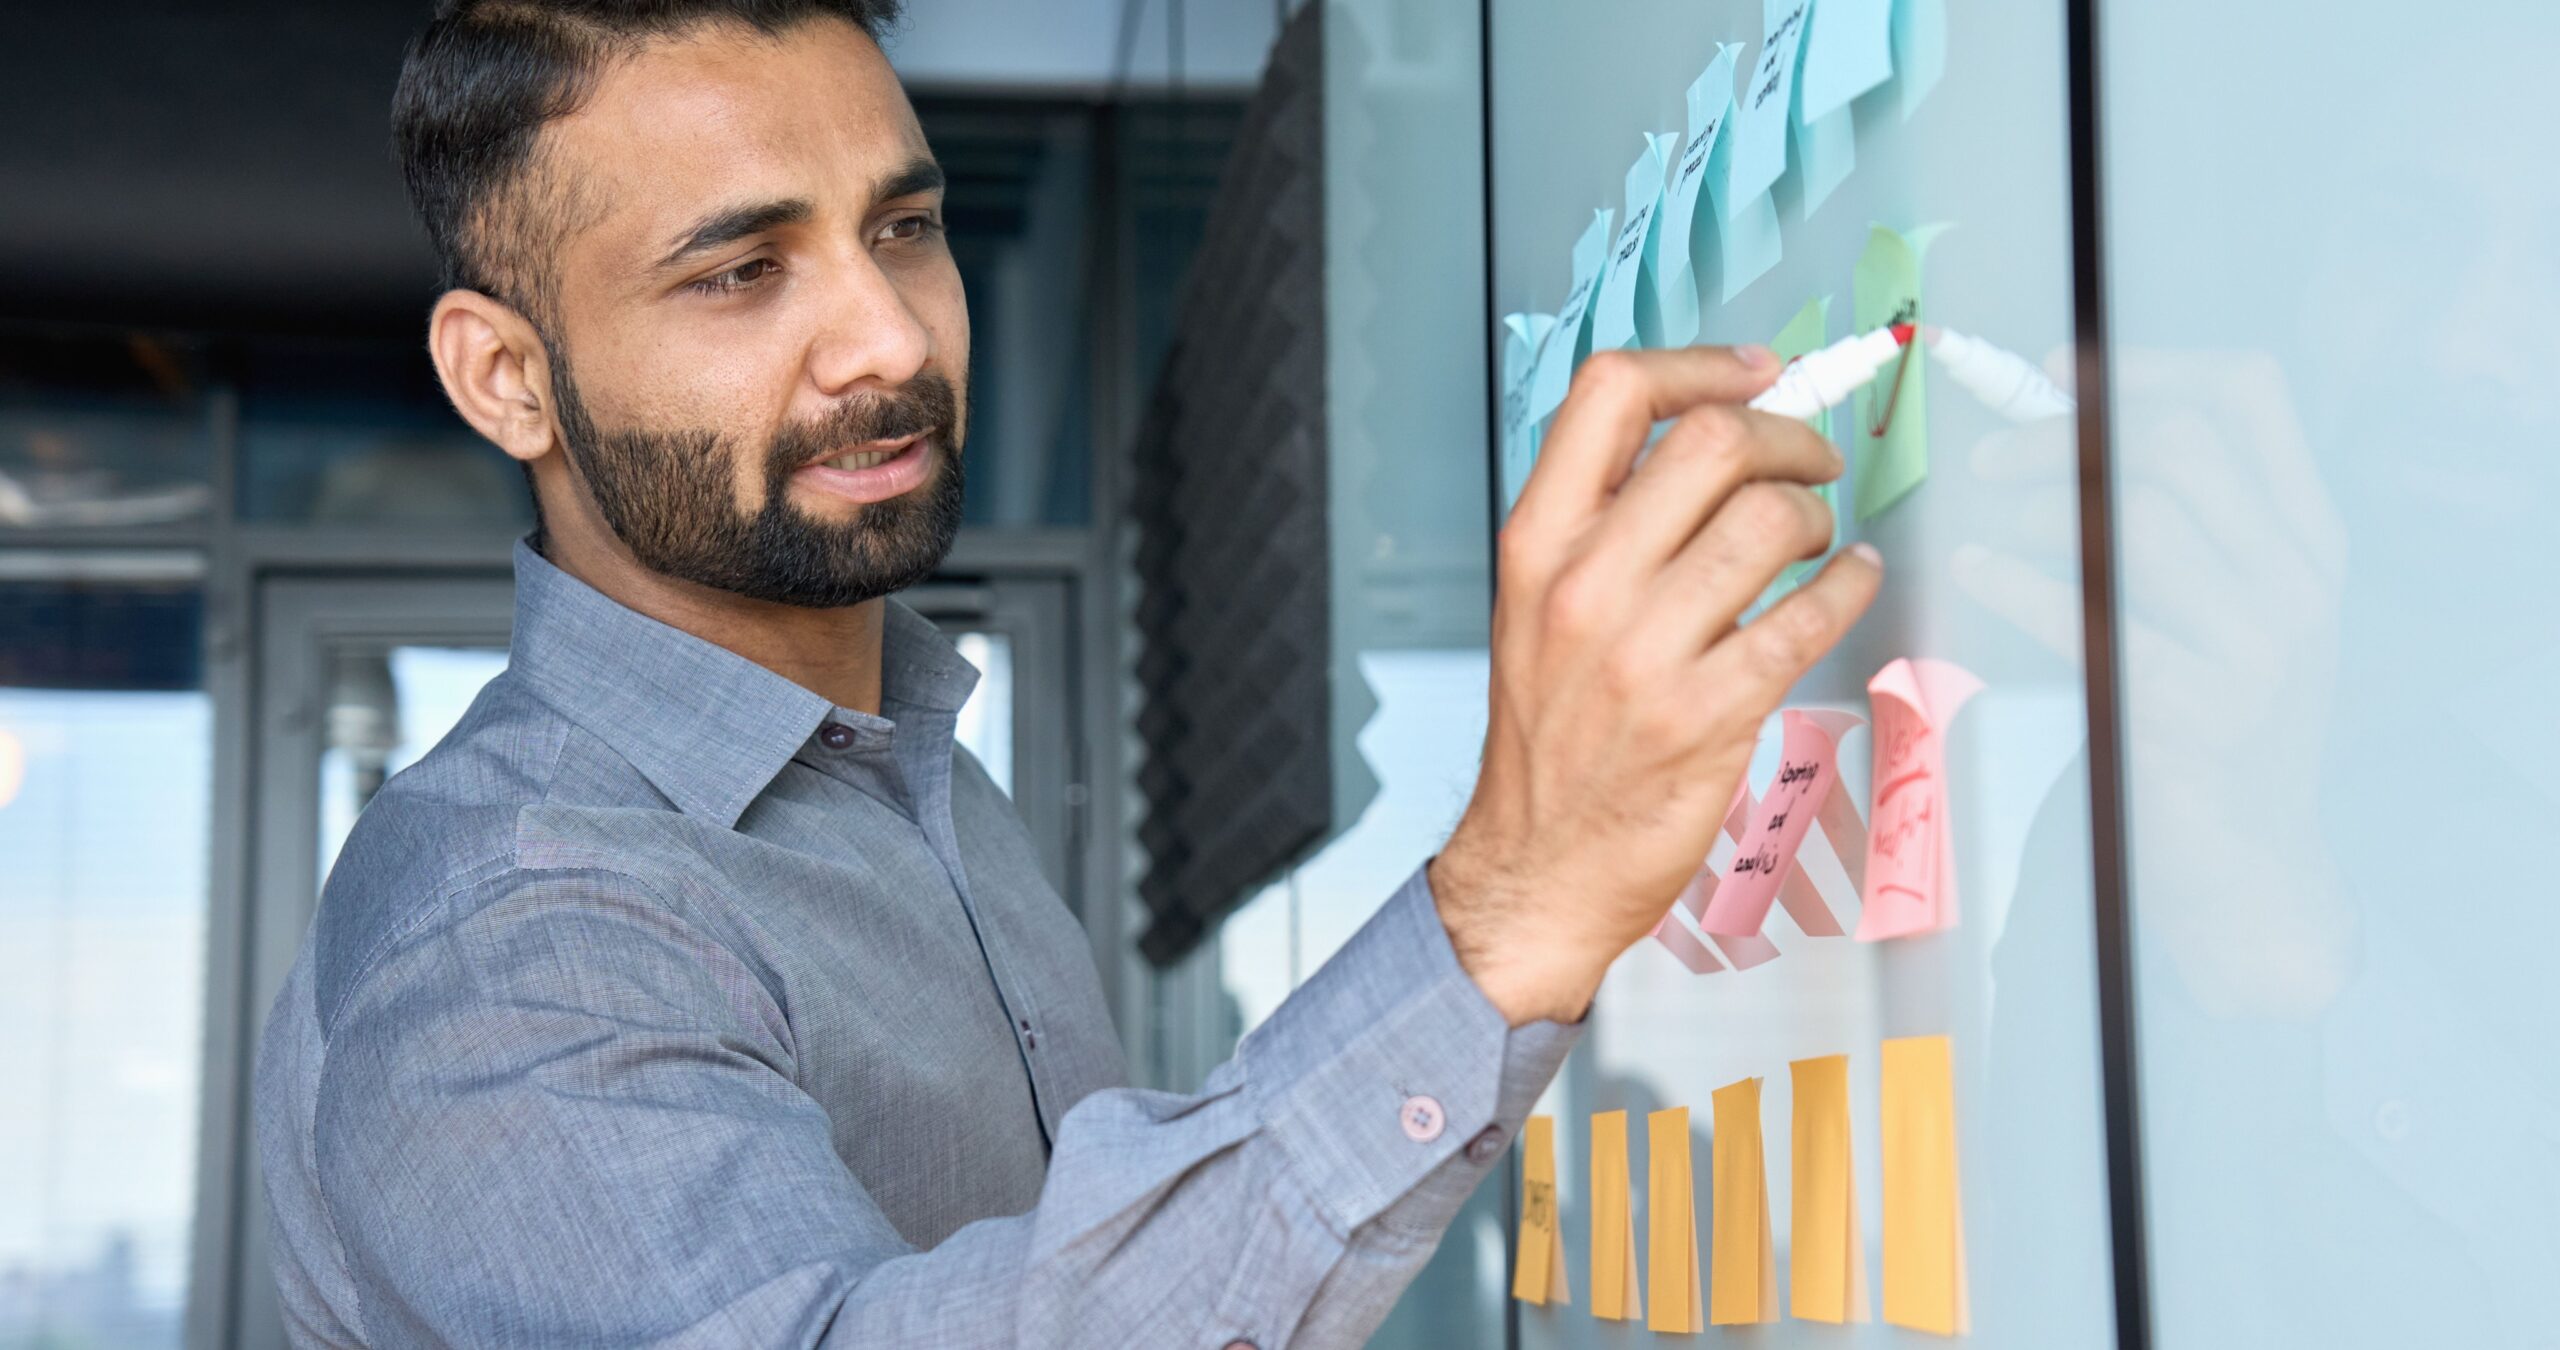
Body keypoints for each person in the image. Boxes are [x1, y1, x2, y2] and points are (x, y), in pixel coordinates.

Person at [252, 2, 1881, 1344]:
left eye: (904, 229)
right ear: (508, 377)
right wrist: (1505, 913)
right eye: (741, 271)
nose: (886, 339)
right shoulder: (509, 908)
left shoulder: (912, 771)